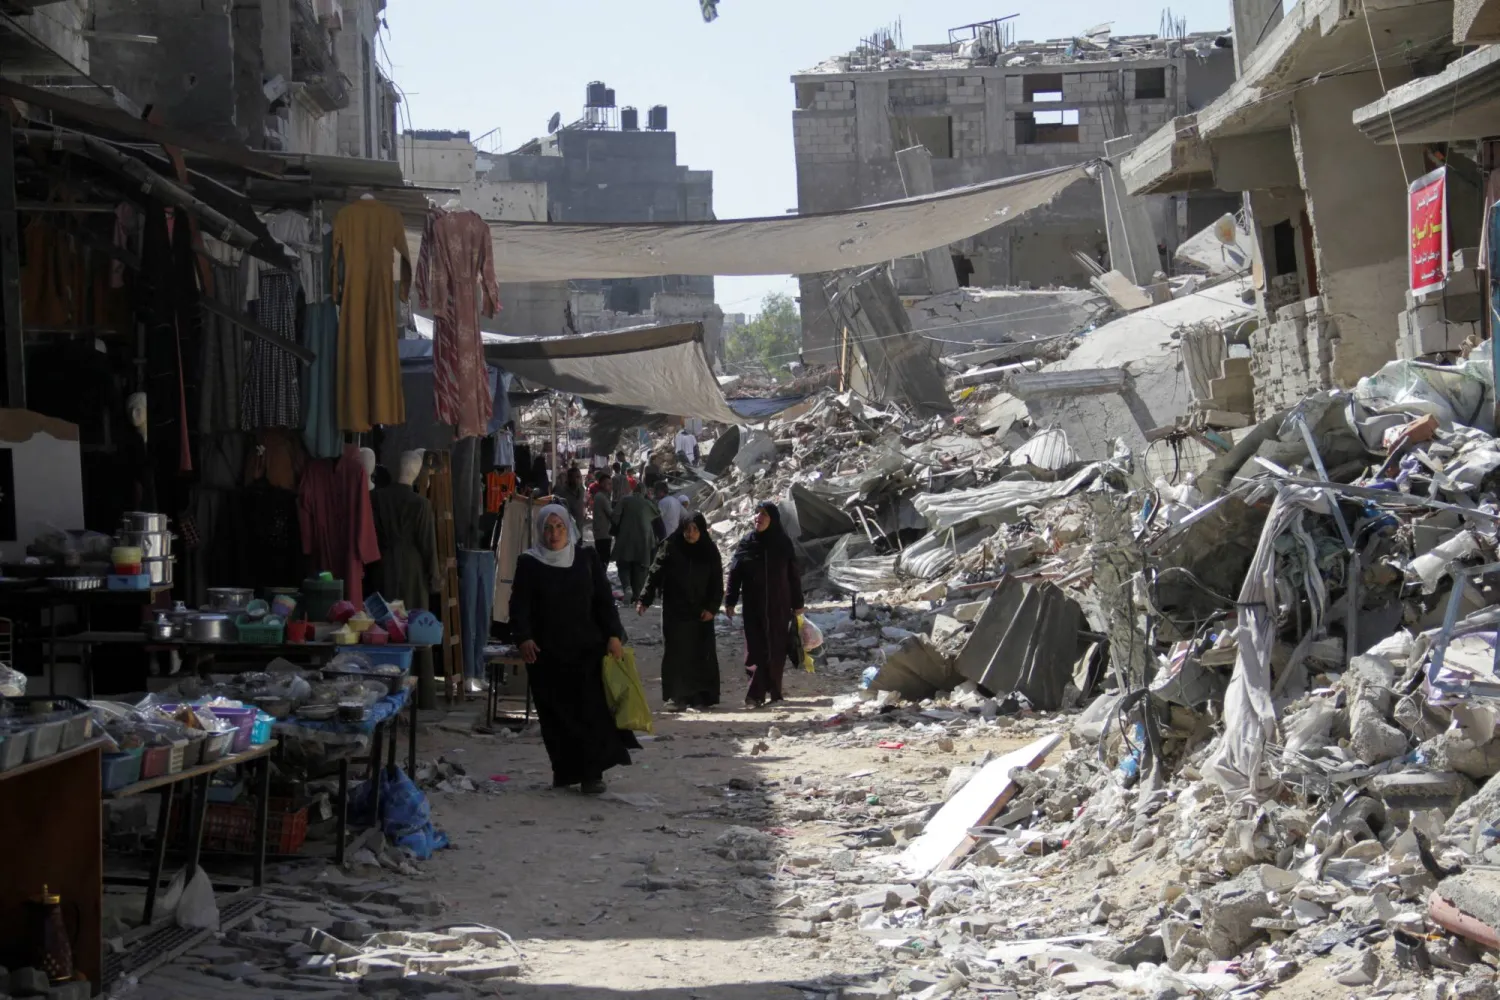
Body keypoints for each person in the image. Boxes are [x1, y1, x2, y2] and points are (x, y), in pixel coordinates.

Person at [509, 504, 637, 794]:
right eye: (548, 528)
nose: (554, 534)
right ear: (540, 531)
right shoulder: (529, 563)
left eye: (560, 527)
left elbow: (604, 601)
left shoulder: (585, 558)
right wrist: (523, 637)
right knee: (557, 717)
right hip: (546, 654)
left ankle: (592, 774)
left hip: (586, 649)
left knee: (590, 712)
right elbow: (519, 606)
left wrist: (614, 636)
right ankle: (566, 770)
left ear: (569, 528)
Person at [637, 512, 722, 711]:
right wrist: (644, 599)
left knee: (701, 652)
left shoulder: (709, 551)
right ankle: (677, 696)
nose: (690, 534)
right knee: (676, 652)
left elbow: (717, 583)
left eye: (695, 529)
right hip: (675, 609)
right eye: (687, 529)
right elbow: (655, 572)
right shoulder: (671, 547)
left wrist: (712, 608)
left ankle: (701, 695)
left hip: (701, 612)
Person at [725, 501, 805, 710]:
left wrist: (798, 603)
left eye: (763, 515)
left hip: (779, 605)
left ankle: (775, 692)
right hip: (753, 605)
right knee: (754, 649)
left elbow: (793, 576)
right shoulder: (747, 543)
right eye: (756, 514)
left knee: (777, 649)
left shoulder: (783, 543)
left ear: (773, 519)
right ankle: (755, 695)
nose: (758, 518)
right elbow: (735, 573)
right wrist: (730, 600)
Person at [612, 480, 662, 603]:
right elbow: (657, 517)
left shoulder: (624, 500)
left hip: (625, 537)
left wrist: (615, 531)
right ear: (645, 492)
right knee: (640, 566)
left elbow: (615, 517)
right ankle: (636, 594)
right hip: (644, 540)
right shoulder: (648, 503)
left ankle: (627, 587)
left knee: (623, 564)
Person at [591, 470, 616, 566]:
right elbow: (611, 514)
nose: (611, 486)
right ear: (601, 484)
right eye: (608, 484)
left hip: (602, 532)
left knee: (603, 559)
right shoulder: (601, 497)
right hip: (603, 533)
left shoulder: (601, 496)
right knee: (603, 559)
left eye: (611, 484)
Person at [557, 467, 588, 535]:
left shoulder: (581, 489)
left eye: (580, 477)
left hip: (579, 528)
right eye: (576, 477)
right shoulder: (561, 492)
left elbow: (583, 503)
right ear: (569, 479)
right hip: (567, 530)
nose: (579, 479)